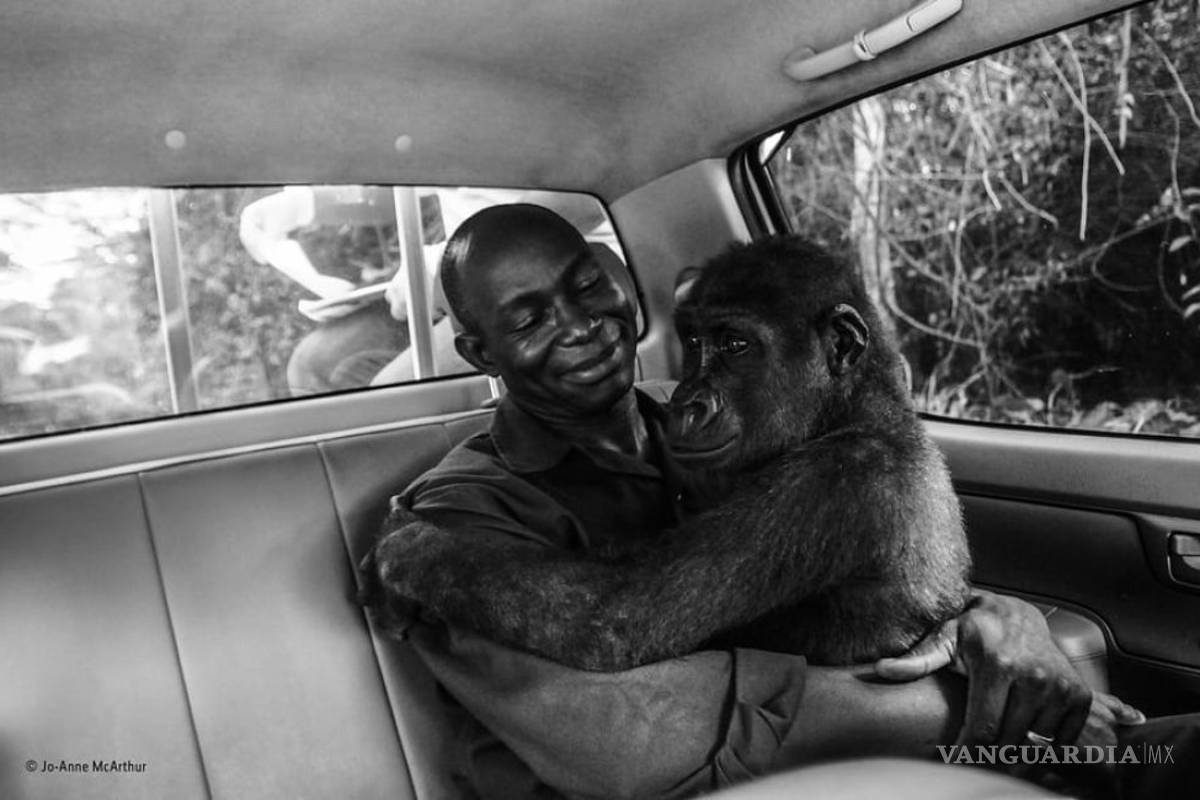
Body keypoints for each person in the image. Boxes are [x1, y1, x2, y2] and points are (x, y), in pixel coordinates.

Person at [362, 204, 1163, 799]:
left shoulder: (716, 417)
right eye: (531, 317)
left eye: (587, 286)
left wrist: (994, 620)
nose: (583, 326)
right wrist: (414, 556)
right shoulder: (456, 516)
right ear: (480, 352)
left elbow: (855, 576)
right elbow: (630, 737)